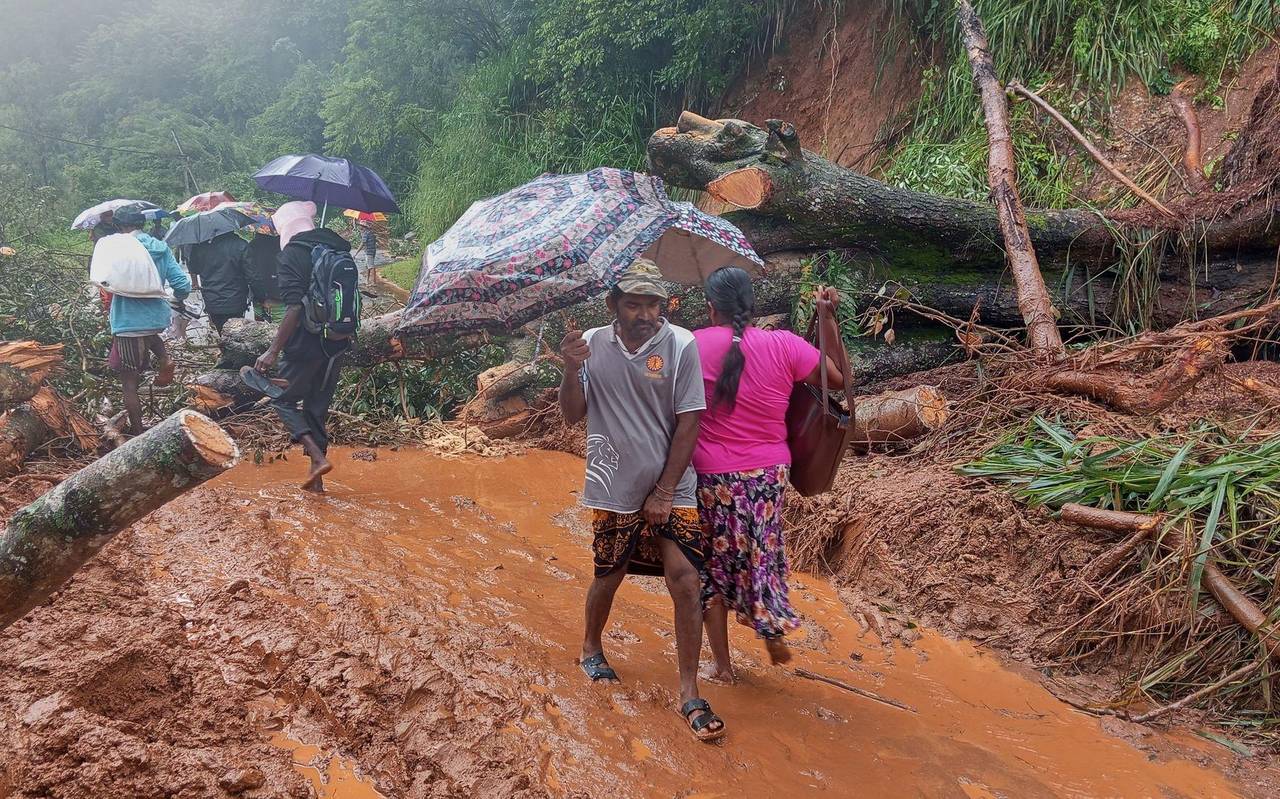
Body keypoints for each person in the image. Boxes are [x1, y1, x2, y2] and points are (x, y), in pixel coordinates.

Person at [559, 258, 725, 742]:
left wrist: (665, 490)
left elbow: (690, 421)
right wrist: (571, 369)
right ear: (613, 304)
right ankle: (591, 647)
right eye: (634, 304)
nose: (646, 314)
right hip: (613, 484)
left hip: (673, 484)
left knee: (687, 580)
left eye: (653, 304)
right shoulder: (591, 344)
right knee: (609, 573)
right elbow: (572, 415)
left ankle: (689, 691)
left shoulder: (682, 344)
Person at [692, 267, 846, 681]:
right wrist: (826, 318)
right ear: (752, 304)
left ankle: (723, 667)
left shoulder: (692, 345)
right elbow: (837, 378)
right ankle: (771, 624)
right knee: (761, 551)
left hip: (712, 476)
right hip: (769, 474)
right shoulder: (785, 345)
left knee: (712, 567)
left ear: (711, 307)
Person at [245, 201, 352, 492]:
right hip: (337, 341)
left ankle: (317, 458)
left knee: (282, 400)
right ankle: (317, 484)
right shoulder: (338, 249)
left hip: (305, 344)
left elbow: (294, 307)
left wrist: (272, 351)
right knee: (316, 408)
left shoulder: (292, 253)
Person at [107, 208, 191, 435]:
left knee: (129, 383)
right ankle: (164, 358)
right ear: (142, 224)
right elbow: (182, 284)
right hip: (155, 317)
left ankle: (138, 433)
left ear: (119, 226)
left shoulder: (118, 249)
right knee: (148, 335)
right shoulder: (160, 247)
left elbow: (104, 280)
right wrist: (177, 299)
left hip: (128, 321)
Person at [187, 230, 254, 333]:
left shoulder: (200, 247)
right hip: (236, 300)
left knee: (221, 331)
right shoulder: (241, 245)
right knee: (236, 333)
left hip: (212, 300)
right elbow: (250, 274)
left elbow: (194, 268)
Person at [246, 232, 282, 322]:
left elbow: (251, 274)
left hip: (258, 298)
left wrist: (261, 298)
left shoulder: (252, 245)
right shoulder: (284, 245)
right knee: (281, 329)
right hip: (279, 299)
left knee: (258, 329)